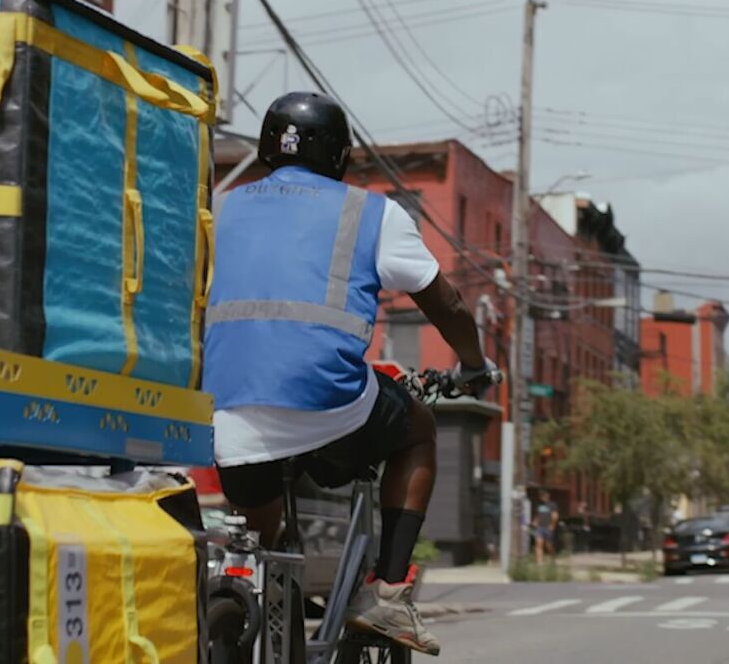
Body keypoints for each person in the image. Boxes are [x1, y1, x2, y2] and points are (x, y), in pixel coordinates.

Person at [204, 92, 496, 656]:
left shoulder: (221, 208)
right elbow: (450, 305)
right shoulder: (371, 211)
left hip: (228, 410)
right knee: (416, 431)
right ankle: (387, 593)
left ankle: (245, 608)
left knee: (260, 539)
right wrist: (474, 365)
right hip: (327, 402)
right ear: (340, 155)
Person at [532, 491, 559, 565]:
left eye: (544, 495)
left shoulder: (552, 505)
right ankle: (539, 562)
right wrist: (535, 521)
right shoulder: (538, 505)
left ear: (548, 496)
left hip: (548, 527)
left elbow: (555, 516)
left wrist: (552, 526)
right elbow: (538, 515)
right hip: (540, 527)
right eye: (541, 495)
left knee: (548, 545)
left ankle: (553, 558)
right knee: (539, 543)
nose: (543, 497)